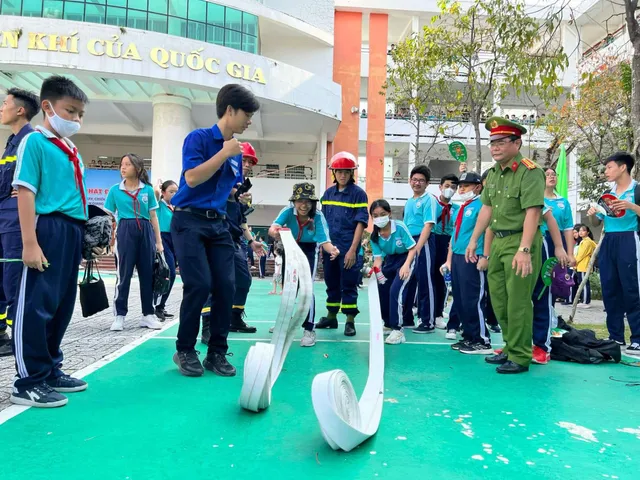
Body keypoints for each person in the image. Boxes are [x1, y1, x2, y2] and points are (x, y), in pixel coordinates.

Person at [170, 83, 260, 378]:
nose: (249, 121)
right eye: (246, 114)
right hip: (188, 221)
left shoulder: (235, 152)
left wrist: (236, 194)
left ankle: (216, 353)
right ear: (230, 111)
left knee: (226, 286)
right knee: (199, 284)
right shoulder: (198, 139)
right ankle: (184, 349)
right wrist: (223, 153)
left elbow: (220, 186)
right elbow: (193, 178)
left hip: (218, 223)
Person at [11, 75, 90, 407]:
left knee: (61, 304)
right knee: (37, 303)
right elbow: (26, 191)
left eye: (79, 114)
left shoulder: (71, 149)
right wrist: (30, 242)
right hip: (48, 228)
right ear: (47, 106)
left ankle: (50, 368)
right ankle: (28, 380)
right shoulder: (36, 141)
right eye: (69, 111)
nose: (75, 119)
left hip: (72, 230)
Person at [466, 116, 545, 374]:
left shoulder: (530, 172)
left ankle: (521, 356)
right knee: (499, 300)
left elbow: (533, 212)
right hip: (498, 242)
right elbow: (486, 210)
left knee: (518, 301)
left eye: (501, 142)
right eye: (492, 142)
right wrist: (474, 239)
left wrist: (524, 250)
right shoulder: (494, 175)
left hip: (521, 240)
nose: (495, 147)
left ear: (517, 142)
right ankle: (511, 347)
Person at [201, 142, 263, 343]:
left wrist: (252, 241)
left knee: (244, 279)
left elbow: (242, 219)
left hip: (235, 240)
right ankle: (207, 326)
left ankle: (234, 318)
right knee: (214, 282)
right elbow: (215, 195)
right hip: (217, 236)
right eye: (243, 159)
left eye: (250, 161)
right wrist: (234, 194)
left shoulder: (243, 188)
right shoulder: (224, 176)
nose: (246, 164)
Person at [268, 182, 340, 347]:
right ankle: (283, 323)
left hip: (309, 251)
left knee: (307, 290)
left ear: (313, 202)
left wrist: (333, 250)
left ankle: (309, 330)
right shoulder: (287, 211)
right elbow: (273, 228)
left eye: (308, 201)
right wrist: (275, 232)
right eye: (300, 200)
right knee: (289, 289)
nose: (304, 204)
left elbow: (325, 241)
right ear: (294, 201)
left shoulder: (318, 216)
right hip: (290, 247)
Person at [587, 152, 640, 354]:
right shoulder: (607, 193)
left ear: (623, 167)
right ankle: (615, 336)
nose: (606, 172)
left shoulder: (636, 190)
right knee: (610, 288)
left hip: (629, 239)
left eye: (609, 167)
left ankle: (637, 338)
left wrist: (631, 206)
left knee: (632, 288)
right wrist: (592, 215)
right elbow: (597, 223)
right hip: (608, 239)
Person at [104, 154, 164, 332]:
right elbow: (108, 216)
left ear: (137, 168)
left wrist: (158, 242)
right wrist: (108, 240)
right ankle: (119, 315)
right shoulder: (115, 190)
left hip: (145, 231)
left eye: (127, 164)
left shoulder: (147, 191)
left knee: (148, 275)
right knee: (123, 275)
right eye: (122, 165)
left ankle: (148, 314)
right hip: (125, 231)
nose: (123, 168)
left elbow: (153, 217)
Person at [0, 88, 39, 358]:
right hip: (4, 214)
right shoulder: (12, 141)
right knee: (2, 276)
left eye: (5, 104)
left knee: (14, 277)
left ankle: (18, 337)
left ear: (20, 110)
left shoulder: (31, 140)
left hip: (15, 218)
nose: (1, 108)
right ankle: (2, 332)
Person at [317, 151, 368, 337]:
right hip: (330, 246)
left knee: (349, 283)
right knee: (331, 281)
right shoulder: (328, 194)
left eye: (346, 171)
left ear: (352, 173)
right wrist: (323, 245)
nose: (343, 175)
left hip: (348, 247)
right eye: (339, 172)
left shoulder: (358, 194)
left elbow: (361, 223)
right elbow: (321, 222)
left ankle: (349, 320)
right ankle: (331, 316)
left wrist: (353, 250)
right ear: (334, 173)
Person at [441, 172, 493, 354]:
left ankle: (482, 340)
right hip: (457, 256)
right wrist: (449, 260)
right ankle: (469, 337)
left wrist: (485, 256)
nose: (461, 189)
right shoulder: (462, 206)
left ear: (478, 187)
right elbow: (454, 235)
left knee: (474, 298)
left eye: (466, 186)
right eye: (459, 186)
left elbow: (488, 231)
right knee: (461, 299)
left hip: (473, 256)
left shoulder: (483, 205)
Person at [528, 167, 575, 364]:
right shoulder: (530, 194)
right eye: (547, 175)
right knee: (519, 296)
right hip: (525, 242)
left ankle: (541, 346)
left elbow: (567, 229)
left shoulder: (562, 203)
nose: (551, 177)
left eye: (553, 175)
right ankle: (516, 343)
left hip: (548, 244)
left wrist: (568, 252)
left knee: (542, 293)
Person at [369, 199, 417, 345]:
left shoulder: (400, 227)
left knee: (395, 291)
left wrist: (406, 265)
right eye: (375, 215)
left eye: (382, 214)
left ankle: (398, 329)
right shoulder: (374, 236)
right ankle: (388, 323)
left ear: (389, 213)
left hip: (406, 260)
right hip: (389, 261)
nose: (379, 217)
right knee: (382, 288)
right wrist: (375, 271)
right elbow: (378, 259)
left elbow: (412, 248)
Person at [402, 165, 437, 333]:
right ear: (410, 181)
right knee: (408, 281)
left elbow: (428, 225)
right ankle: (407, 318)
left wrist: (418, 247)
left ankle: (427, 322)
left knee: (425, 281)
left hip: (424, 242)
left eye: (421, 181)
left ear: (427, 183)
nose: (417, 183)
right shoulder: (409, 201)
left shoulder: (428, 199)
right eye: (414, 180)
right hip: (409, 243)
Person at [433, 173, 459, 328]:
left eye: (453, 187)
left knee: (442, 279)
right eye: (447, 186)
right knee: (427, 278)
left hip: (448, 244)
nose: (450, 189)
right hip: (432, 240)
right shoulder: (432, 203)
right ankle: (425, 313)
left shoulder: (456, 208)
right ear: (440, 187)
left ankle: (438, 314)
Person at [153, 179, 178, 321]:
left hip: (174, 241)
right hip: (163, 239)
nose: (174, 194)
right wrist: (158, 185)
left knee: (170, 275)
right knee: (168, 273)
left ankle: (161, 306)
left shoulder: (173, 207)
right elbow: (156, 192)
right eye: (171, 192)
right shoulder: (159, 205)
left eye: (176, 192)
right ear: (163, 192)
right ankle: (156, 306)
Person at [575, 224, 596, 308]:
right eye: (579, 230)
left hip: (584, 265)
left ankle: (586, 301)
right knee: (582, 283)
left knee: (584, 283)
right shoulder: (584, 241)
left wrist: (574, 262)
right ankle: (584, 300)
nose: (580, 232)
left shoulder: (587, 242)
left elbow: (581, 254)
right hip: (581, 265)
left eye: (583, 230)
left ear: (587, 232)